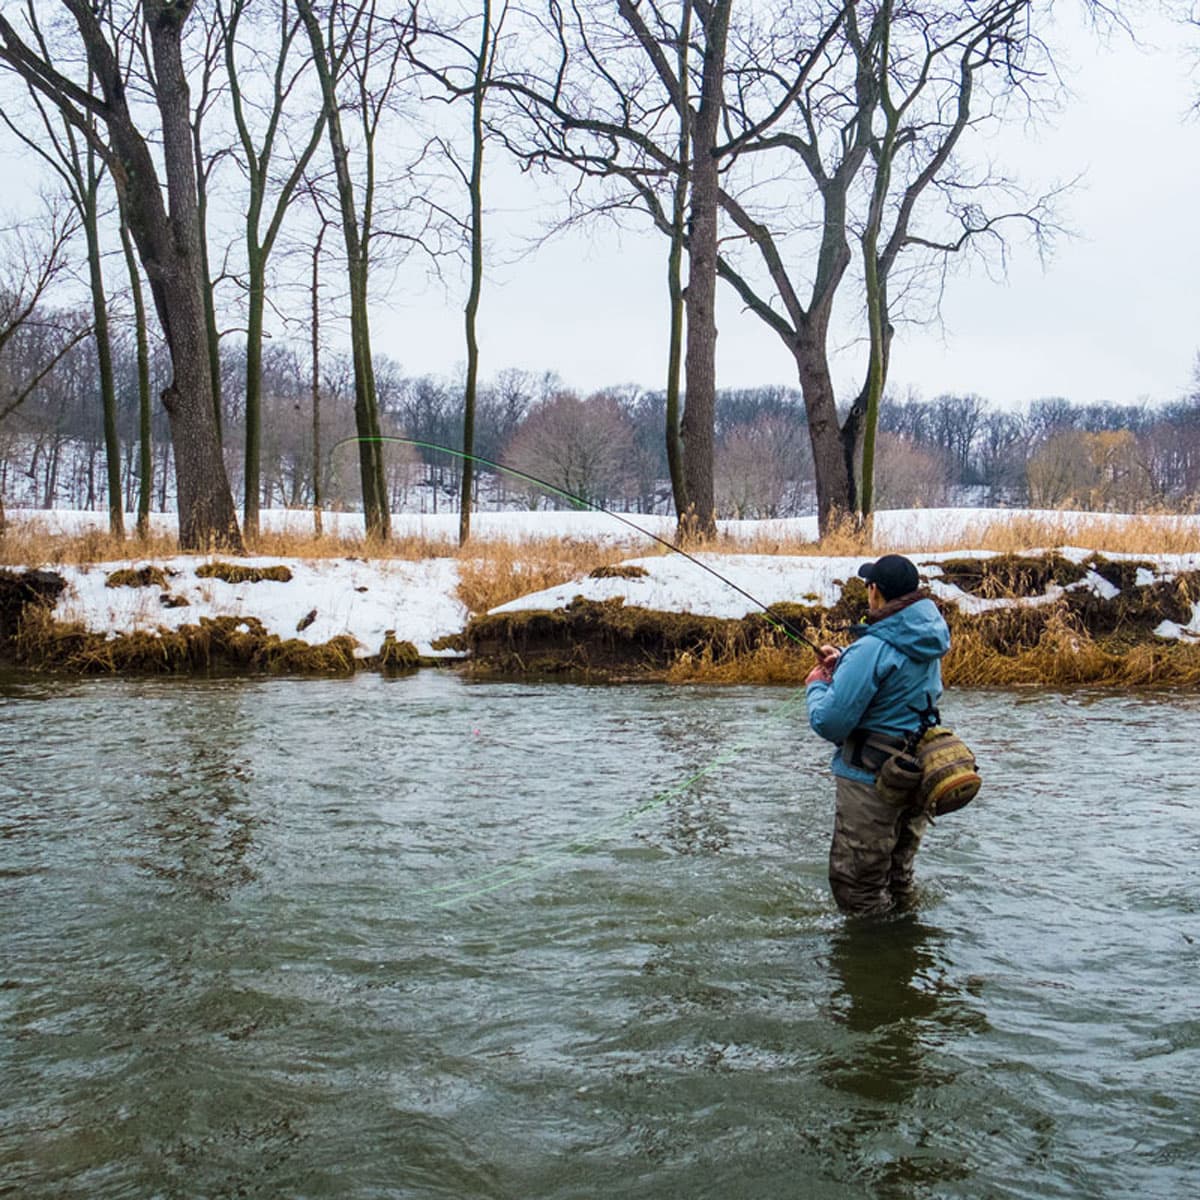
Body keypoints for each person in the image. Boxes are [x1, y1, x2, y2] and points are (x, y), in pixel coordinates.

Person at [804, 553, 951, 916]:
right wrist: (846, 661)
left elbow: (830, 722)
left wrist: (815, 687)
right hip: (915, 774)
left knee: (859, 887)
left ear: (875, 591)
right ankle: (906, 953)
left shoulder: (873, 647)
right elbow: (897, 686)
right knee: (898, 878)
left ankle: (871, 961)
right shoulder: (926, 637)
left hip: (870, 781)